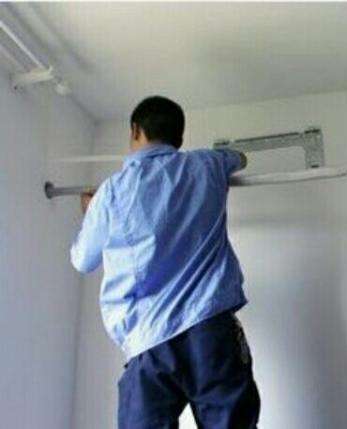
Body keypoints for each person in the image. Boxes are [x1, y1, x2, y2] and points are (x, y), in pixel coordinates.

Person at [71, 96, 261, 428]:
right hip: (211, 332)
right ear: (180, 137)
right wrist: (221, 164)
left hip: (149, 340)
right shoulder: (208, 164)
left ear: (135, 130)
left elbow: (83, 260)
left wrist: (91, 212)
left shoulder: (111, 192)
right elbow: (239, 158)